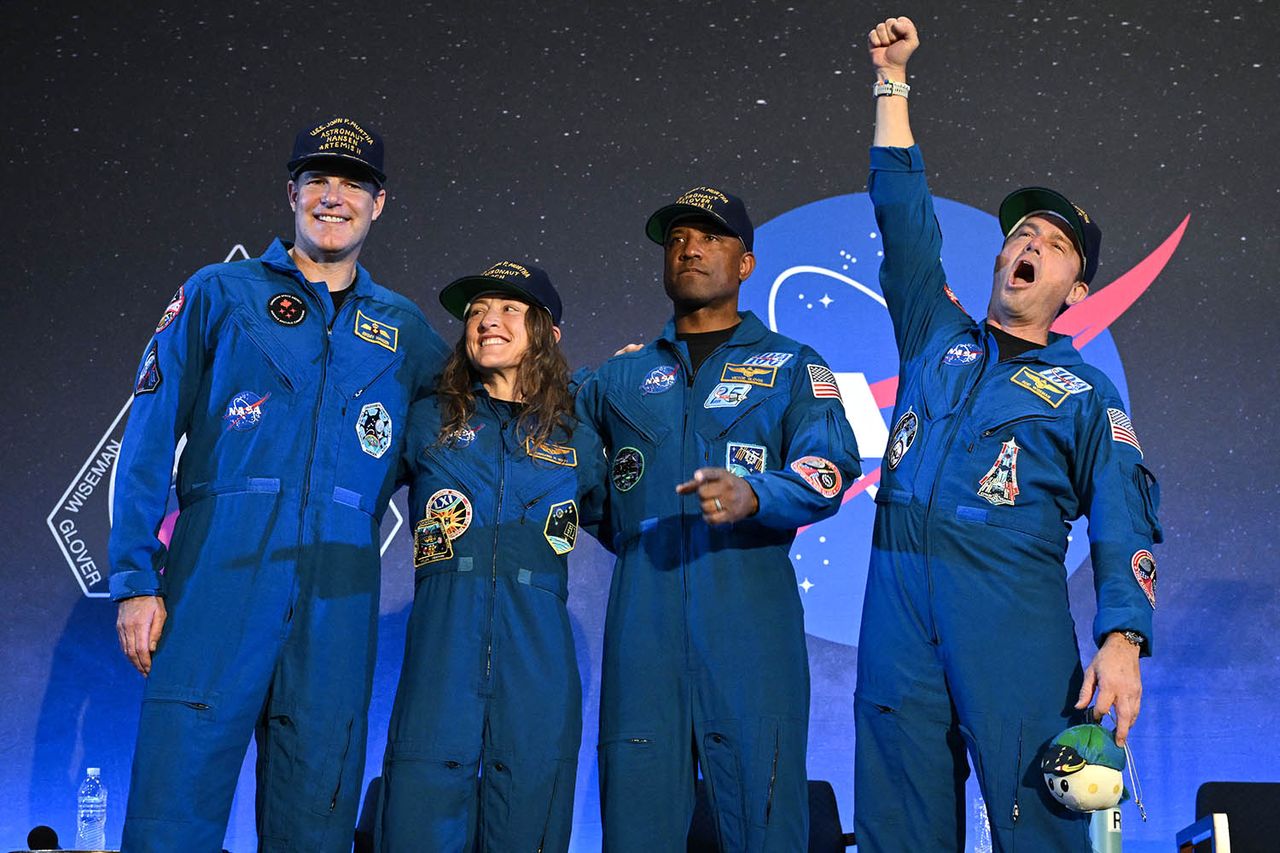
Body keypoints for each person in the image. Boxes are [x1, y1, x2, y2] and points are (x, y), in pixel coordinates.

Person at [853, 17, 1163, 851]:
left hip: (1011, 614)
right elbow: (904, 217)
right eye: (1023, 232)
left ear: (1075, 286)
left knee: (1044, 831)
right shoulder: (934, 331)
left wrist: (1123, 637)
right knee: (899, 827)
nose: (1031, 243)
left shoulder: (1085, 394)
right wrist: (892, 81)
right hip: (897, 608)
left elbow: (1126, 516)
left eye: (1055, 244)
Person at [109, 117, 448, 852]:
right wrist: (135, 578)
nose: (334, 197)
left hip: (338, 594)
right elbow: (146, 435)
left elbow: (474, 425)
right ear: (291, 191)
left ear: (378, 203)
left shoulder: (407, 330)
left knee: (316, 819)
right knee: (174, 809)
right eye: (318, 180)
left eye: (353, 183)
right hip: (216, 579)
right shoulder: (219, 292)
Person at [576, 187, 861, 851]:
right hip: (643, 627)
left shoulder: (792, 365)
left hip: (749, 625)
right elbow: (578, 479)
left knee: (766, 823)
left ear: (746, 264)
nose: (690, 248)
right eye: (677, 237)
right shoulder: (619, 377)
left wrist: (755, 495)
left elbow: (830, 468)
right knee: (636, 824)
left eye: (711, 236)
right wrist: (633, 529)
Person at [375, 261, 604, 852]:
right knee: (419, 816)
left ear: (548, 332)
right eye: (476, 310)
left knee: (530, 816)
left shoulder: (579, 432)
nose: (485, 320)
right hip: (441, 650)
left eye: (507, 307)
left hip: (539, 655)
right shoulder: (426, 418)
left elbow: (634, 523)